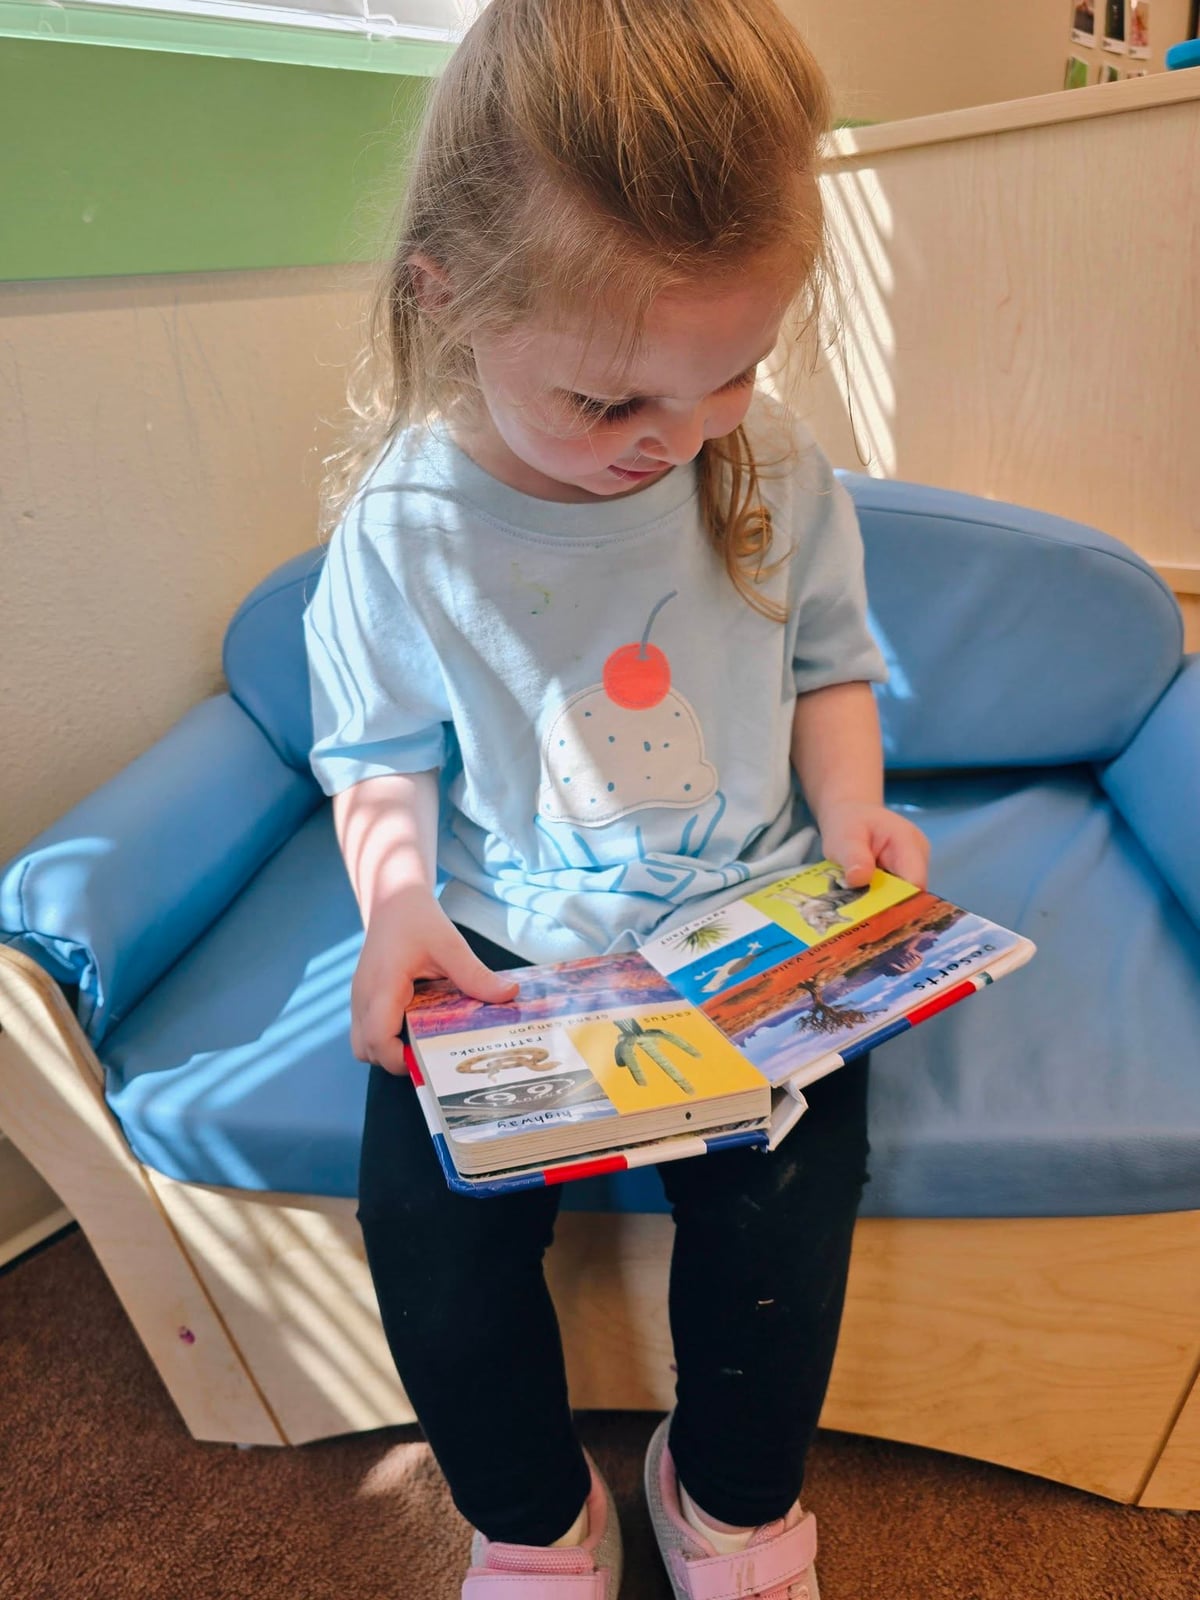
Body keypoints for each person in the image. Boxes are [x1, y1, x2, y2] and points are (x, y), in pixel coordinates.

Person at [303, 2, 930, 1595]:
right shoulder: (404, 525)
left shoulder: (770, 467)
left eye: (734, 372)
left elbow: (832, 666)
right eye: (607, 403)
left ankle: (726, 1502)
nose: (677, 439)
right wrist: (397, 907)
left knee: (787, 1210)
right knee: (426, 1229)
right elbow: (375, 747)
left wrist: (851, 815)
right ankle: (534, 1525)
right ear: (446, 303)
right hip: (508, 940)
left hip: (747, 929)